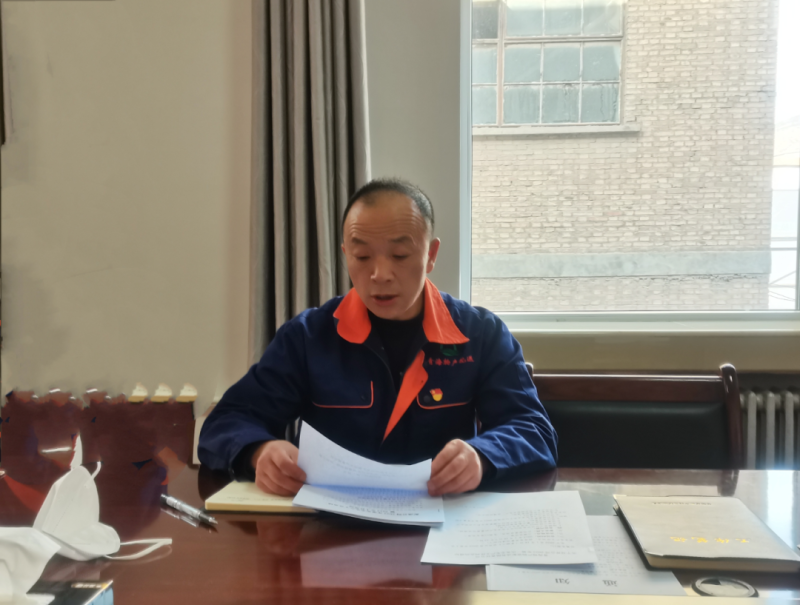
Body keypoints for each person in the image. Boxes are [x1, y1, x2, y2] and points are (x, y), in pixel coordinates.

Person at [199, 178, 557, 497]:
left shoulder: (480, 334)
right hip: (329, 529)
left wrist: (482, 456)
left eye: (400, 255)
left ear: (431, 255)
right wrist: (259, 451)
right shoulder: (309, 337)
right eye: (362, 256)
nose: (380, 274)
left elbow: (533, 429)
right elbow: (227, 421)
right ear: (345, 255)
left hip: (442, 521)